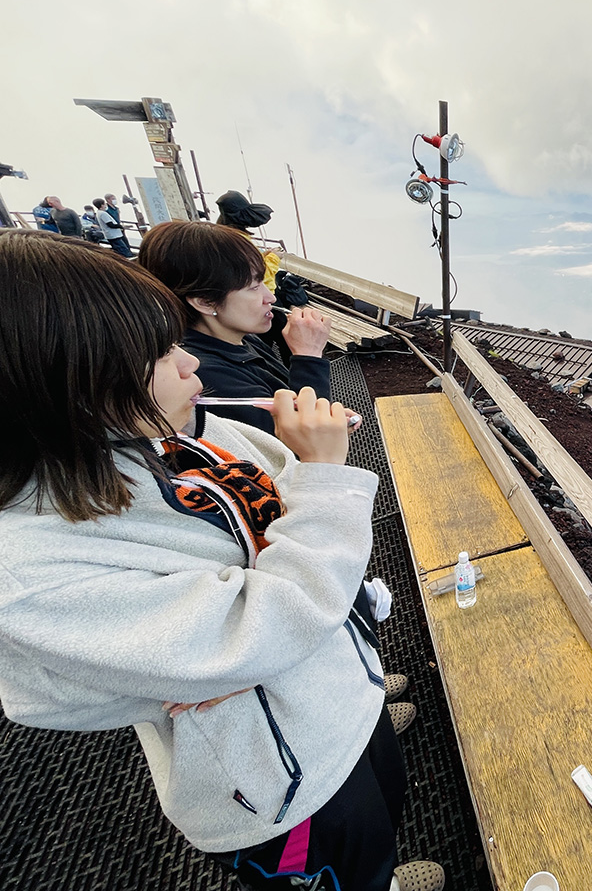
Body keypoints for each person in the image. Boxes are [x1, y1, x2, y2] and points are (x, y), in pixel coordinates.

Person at [0, 230, 443, 891]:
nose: (189, 367)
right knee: (341, 862)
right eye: (155, 353)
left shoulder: (185, 436)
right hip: (278, 787)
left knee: (380, 822)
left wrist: (231, 641)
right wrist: (183, 667)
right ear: (58, 384)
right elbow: (273, 618)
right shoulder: (29, 566)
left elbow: (305, 570)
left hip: (339, 695)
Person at [137, 221, 331, 435]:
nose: (271, 297)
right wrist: (308, 356)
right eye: (254, 287)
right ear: (205, 302)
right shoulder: (207, 376)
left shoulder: (238, 337)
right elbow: (303, 445)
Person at [216, 190, 293, 364]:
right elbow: (258, 277)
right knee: (286, 339)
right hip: (260, 299)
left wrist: (263, 255)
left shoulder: (224, 237)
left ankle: (272, 373)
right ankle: (298, 377)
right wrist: (274, 258)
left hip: (248, 301)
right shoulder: (238, 240)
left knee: (262, 343)